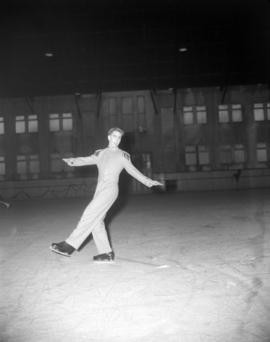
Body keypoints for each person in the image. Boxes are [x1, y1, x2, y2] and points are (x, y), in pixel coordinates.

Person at [50, 127, 163, 262]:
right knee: (97, 222)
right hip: (100, 190)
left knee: (89, 214)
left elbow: (133, 171)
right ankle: (106, 253)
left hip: (110, 190)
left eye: (119, 137)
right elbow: (87, 159)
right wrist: (73, 161)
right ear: (109, 137)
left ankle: (70, 245)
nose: (117, 139)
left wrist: (149, 182)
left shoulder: (123, 155)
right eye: (114, 136)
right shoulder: (100, 153)